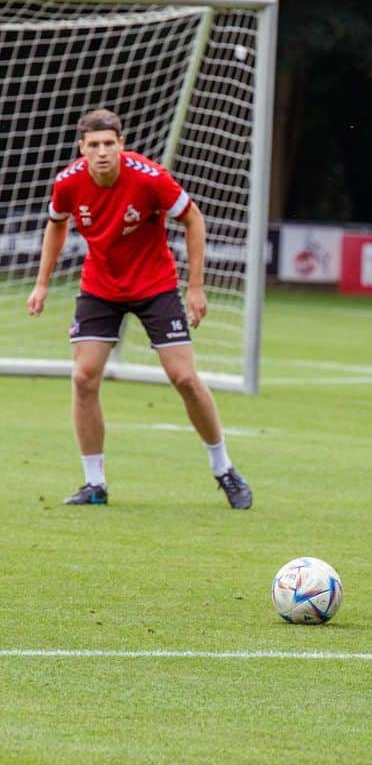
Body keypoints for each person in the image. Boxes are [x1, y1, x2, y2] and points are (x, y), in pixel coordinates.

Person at [26, 108, 252, 510]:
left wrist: (196, 287)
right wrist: (42, 283)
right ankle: (94, 484)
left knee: (183, 377)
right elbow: (55, 223)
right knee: (83, 377)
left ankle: (224, 469)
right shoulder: (68, 183)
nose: (101, 152)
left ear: (121, 145)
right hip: (100, 285)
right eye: (93, 145)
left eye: (108, 144)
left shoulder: (150, 178)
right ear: (82, 148)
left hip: (156, 285)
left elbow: (193, 219)